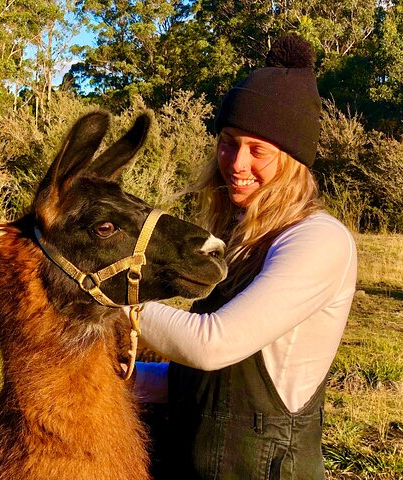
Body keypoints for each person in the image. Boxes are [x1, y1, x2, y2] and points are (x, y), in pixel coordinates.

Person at [131, 34, 358, 480]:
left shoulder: (318, 241)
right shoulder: (239, 236)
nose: (236, 162)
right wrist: (123, 377)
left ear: (293, 160)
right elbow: (210, 387)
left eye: (258, 151)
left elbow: (211, 345)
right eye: (229, 141)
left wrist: (109, 300)